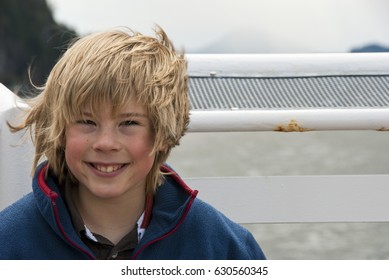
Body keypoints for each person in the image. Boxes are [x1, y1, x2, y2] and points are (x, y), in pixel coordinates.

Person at [0, 26, 266, 260]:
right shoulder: (10, 242)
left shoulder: (223, 249)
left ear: (162, 133)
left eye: (128, 123)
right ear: (59, 130)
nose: (106, 143)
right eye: (87, 122)